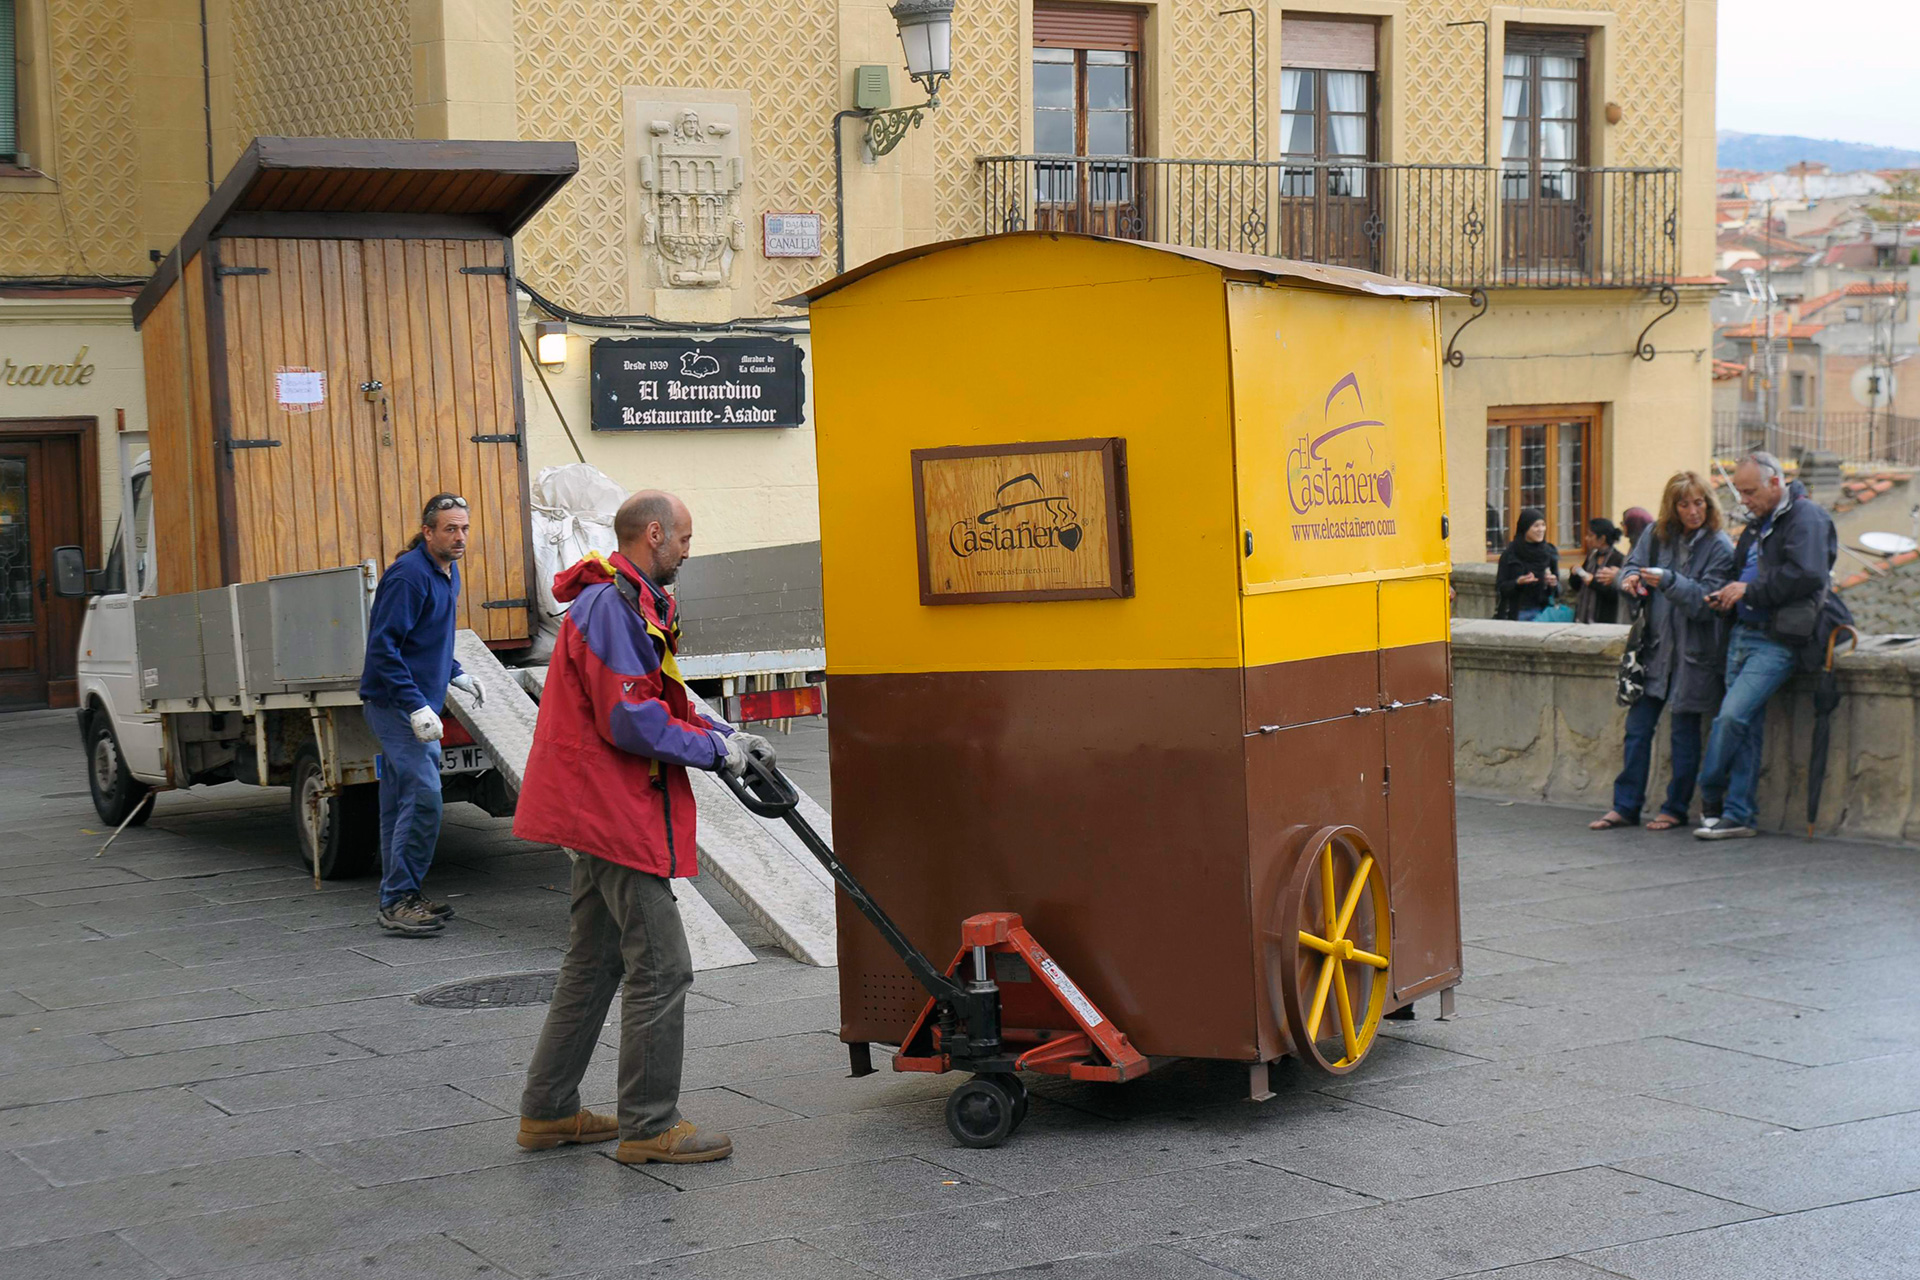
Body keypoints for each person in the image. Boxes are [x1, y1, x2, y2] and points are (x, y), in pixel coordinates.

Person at [511, 490, 775, 1165]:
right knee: (663, 965)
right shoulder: (612, 606)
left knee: (594, 963)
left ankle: (548, 1110)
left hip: (598, 805)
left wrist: (724, 732)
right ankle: (650, 1124)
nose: (689, 548)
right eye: (683, 537)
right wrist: (714, 751)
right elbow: (628, 718)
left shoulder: (630, 600)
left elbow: (661, 694)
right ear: (653, 534)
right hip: (609, 811)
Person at [1693, 452, 1850, 840]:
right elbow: (1743, 572)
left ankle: (1710, 792)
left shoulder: (1806, 517)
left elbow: (1807, 574)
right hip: (1742, 631)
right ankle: (1739, 814)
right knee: (1746, 726)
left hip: (1776, 638)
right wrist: (1727, 594)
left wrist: (1749, 591)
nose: (1743, 500)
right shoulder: (1758, 522)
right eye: (1740, 492)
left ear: (1776, 483)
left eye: (1749, 492)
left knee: (1731, 717)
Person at [359, 493, 486, 936]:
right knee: (425, 797)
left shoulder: (446, 572)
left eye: (464, 528)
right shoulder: (409, 576)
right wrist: (414, 704)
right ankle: (398, 898)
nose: (460, 537)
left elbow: (430, 637)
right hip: (396, 705)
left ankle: (399, 896)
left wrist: (456, 672)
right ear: (428, 532)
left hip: (415, 702)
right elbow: (383, 648)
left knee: (400, 803)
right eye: (450, 529)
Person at [1588, 472, 1734, 831]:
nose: (1693, 511)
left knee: (1684, 735)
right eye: (1684, 504)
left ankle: (1675, 808)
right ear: (1673, 507)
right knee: (1637, 730)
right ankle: (1625, 806)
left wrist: (1668, 581)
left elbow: (1706, 603)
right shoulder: (1656, 534)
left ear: (1709, 504)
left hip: (1695, 655)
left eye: (1699, 503)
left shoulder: (1719, 545)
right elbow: (1630, 567)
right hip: (1654, 650)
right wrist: (1630, 580)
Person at [1495, 508, 1559, 621]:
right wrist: (1518, 582)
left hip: (1543, 612)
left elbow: (1558, 590)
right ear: (1525, 528)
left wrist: (1553, 583)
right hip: (1517, 612)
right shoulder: (1510, 553)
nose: (1541, 529)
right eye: (1536, 526)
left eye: (1543, 525)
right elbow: (1500, 588)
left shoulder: (1549, 552)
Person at [1567, 517, 1628, 624]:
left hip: (1606, 619)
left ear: (1602, 539)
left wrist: (1593, 583)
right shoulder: (1592, 557)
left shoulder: (1618, 559)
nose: (1586, 538)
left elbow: (1617, 594)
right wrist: (1575, 574)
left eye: (1591, 535)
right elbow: (1577, 587)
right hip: (1583, 617)